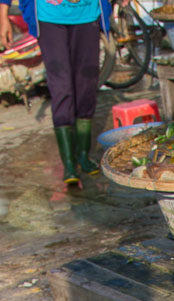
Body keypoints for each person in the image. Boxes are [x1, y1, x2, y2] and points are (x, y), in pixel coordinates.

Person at [0, 0, 112, 186]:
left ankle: (83, 155)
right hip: (49, 18)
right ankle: (68, 163)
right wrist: (3, 15)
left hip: (88, 16)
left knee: (87, 87)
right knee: (62, 88)